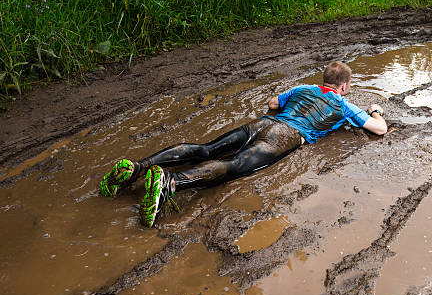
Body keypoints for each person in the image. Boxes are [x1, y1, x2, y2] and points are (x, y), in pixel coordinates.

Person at [99, 61, 387, 227]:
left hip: (262, 123)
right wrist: (375, 109)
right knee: (235, 166)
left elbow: (273, 102)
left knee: (206, 149)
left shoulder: (304, 88)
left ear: (324, 79)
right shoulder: (344, 104)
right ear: (345, 86)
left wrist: (289, 100)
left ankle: (139, 167)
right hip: (286, 136)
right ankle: (170, 183)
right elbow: (379, 130)